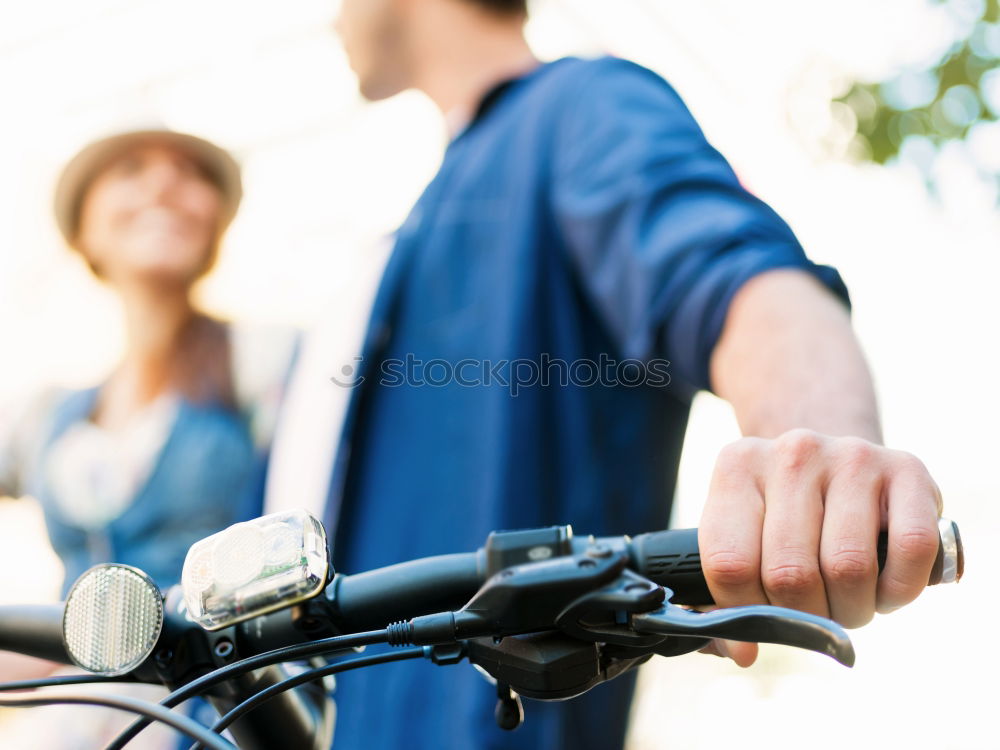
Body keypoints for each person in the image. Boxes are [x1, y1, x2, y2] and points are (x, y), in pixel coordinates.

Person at [266, 1, 945, 748]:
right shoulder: (415, 219)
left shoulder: (581, 107)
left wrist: (819, 460)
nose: (332, 19)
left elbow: (739, 282)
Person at [0, 128, 297, 746]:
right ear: (84, 230)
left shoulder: (262, 366)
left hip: (216, 711)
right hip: (77, 718)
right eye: (132, 170)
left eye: (192, 175)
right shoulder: (46, 418)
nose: (163, 184)